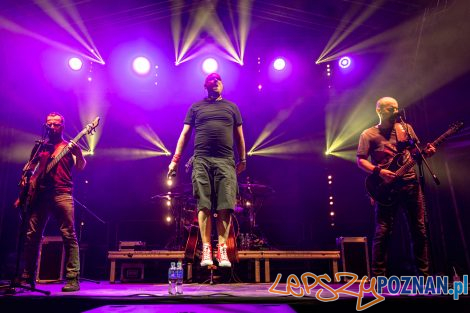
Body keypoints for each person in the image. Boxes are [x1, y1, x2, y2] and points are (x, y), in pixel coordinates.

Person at [168, 73, 246, 268]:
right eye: (212, 81)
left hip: (226, 161)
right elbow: (184, 134)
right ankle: (205, 250)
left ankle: (222, 250)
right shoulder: (196, 107)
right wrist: (175, 160)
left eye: (219, 80)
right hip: (201, 160)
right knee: (203, 205)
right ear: (206, 86)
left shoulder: (232, 107)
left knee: (224, 207)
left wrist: (243, 159)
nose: (216, 83)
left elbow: (239, 137)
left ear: (223, 84)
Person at [356, 97, 435, 277]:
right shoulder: (368, 134)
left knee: (419, 229)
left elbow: (416, 153)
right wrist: (379, 172)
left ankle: (423, 277)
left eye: (397, 108)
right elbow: (360, 160)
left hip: (410, 184)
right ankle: (378, 277)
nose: (395, 112)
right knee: (383, 232)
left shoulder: (406, 129)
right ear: (379, 111)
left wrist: (426, 153)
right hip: (386, 187)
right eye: (390, 109)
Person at [15, 112, 86, 292]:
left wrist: (79, 153)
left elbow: (80, 167)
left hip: (62, 193)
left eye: (56, 125)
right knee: (32, 236)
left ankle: (72, 278)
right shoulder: (40, 147)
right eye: (49, 124)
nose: (52, 128)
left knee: (68, 235)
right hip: (40, 196)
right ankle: (27, 276)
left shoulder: (67, 146)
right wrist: (27, 181)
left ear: (62, 126)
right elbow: (29, 169)